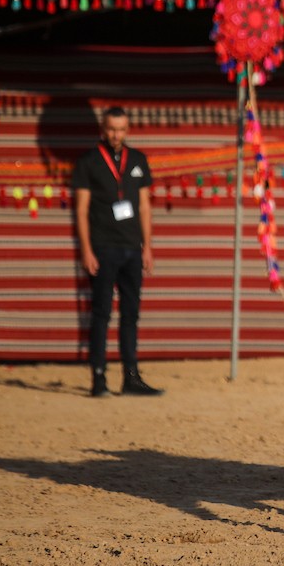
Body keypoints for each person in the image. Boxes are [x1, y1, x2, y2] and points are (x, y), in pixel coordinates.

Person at [72, 106, 164, 397]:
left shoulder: (137, 160)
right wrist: (86, 249)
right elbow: (82, 209)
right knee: (100, 313)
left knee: (131, 313)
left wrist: (147, 246)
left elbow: (145, 205)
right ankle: (98, 377)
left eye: (121, 129)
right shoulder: (89, 162)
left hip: (131, 248)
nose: (116, 135)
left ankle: (131, 376)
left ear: (128, 129)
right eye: (111, 129)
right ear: (103, 128)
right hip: (103, 246)